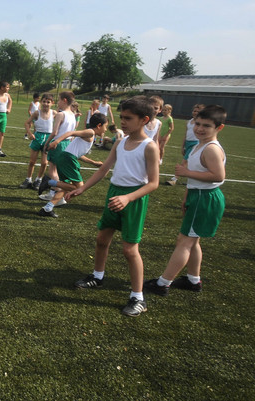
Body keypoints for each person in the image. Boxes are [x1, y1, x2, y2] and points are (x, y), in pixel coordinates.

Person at [65, 96, 160, 317]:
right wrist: (82, 188)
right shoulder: (120, 142)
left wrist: (128, 198)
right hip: (114, 194)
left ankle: (138, 297)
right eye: (121, 117)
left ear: (144, 119)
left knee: (129, 250)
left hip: (134, 199)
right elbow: (103, 169)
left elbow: (154, 183)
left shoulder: (150, 147)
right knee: (101, 239)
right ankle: (98, 277)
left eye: (128, 118)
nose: (122, 122)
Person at [143, 105, 226, 297]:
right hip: (197, 197)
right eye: (197, 123)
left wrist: (187, 173)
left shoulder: (211, 149)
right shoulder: (200, 145)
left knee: (185, 241)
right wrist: (186, 196)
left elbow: (218, 176)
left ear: (219, 128)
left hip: (205, 198)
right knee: (191, 240)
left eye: (206, 125)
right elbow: (196, 179)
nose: (200, 128)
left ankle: (163, 283)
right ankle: (193, 280)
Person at [36, 113, 106, 217]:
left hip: (66, 158)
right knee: (79, 188)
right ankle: (49, 182)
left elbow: (79, 155)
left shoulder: (90, 136)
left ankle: (47, 208)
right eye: (105, 127)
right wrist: (56, 142)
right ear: (99, 125)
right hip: (68, 159)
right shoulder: (90, 132)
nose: (105, 130)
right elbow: (70, 132)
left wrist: (94, 163)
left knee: (66, 187)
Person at [40, 91, 77, 202]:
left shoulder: (61, 114)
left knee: (52, 170)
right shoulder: (73, 115)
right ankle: (55, 193)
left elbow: (55, 132)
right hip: (67, 143)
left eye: (59, 100)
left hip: (57, 144)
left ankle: (55, 194)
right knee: (61, 172)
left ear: (64, 100)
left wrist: (47, 143)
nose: (58, 103)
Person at [20, 93, 56, 190]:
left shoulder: (54, 113)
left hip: (48, 139)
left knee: (44, 163)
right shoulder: (37, 113)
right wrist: (30, 133)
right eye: (44, 101)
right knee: (32, 161)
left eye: (48, 102)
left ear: (52, 103)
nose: (46, 104)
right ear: (41, 102)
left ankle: (38, 180)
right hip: (37, 137)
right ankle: (28, 179)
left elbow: (61, 123)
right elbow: (27, 123)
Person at [166, 104, 205, 186]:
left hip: (195, 143)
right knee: (191, 162)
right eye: (194, 111)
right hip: (188, 143)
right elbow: (186, 134)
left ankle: (174, 179)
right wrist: (183, 146)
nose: (195, 113)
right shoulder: (189, 122)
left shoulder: (201, 123)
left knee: (184, 161)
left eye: (198, 112)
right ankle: (193, 179)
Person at [144, 95, 164, 163]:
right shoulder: (142, 120)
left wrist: (157, 154)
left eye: (155, 108)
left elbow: (155, 139)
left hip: (150, 150)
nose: (153, 110)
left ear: (160, 110)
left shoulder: (158, 123)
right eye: (151, 107)